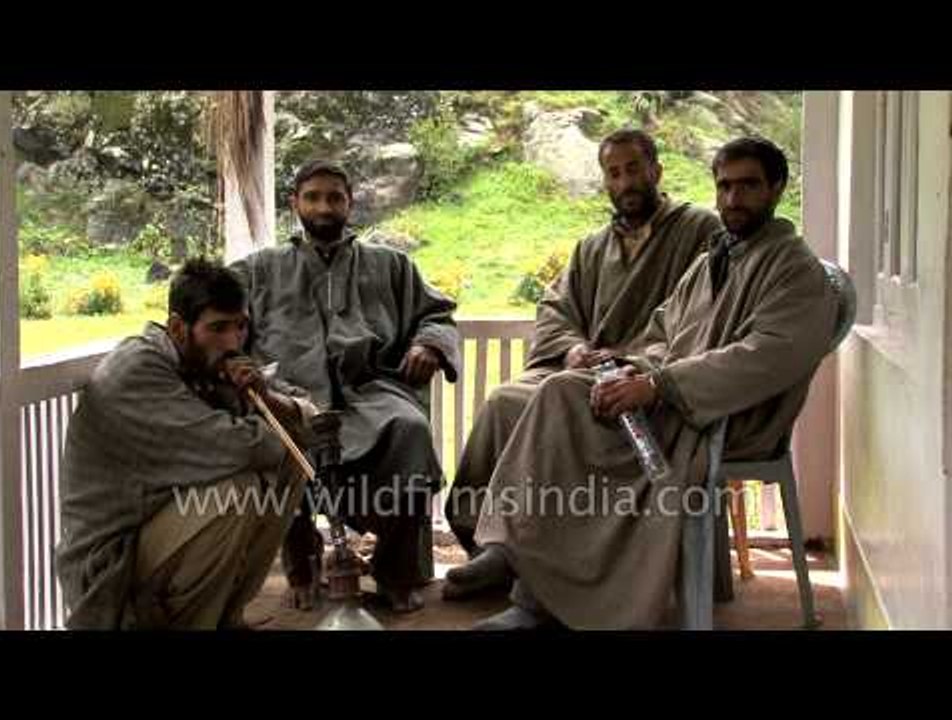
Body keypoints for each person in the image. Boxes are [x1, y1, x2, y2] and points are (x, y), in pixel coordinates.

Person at [470, 136, 838, 630]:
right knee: (562, 392)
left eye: (748, 185)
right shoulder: (717, 258)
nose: (733, 199)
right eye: (724, 186)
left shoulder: (793, 268)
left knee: (567, 416)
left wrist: (658, 385)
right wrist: (633, 369)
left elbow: (765, 357)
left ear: (777, 188)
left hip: (721, 418)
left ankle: (535, 596)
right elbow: (665, 331)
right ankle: (526, 566)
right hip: (676, 398)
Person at [443, 128, 722, 600]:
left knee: (549, 402)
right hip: (581, 366)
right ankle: (490, 544)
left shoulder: (698, 230)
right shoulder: (592, 246)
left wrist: (632, 358)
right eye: (614, 173)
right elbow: (556, 307)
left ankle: (534, 556)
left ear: (656, 170)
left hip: (642, 376)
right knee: (504, 401)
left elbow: (704, 317)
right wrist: (571, 348)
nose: (625, 182)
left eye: (633, 169)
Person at [230, 160, 461, 613]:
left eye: (334, 197)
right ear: (294, 203)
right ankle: (302, 567)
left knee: (410, 430)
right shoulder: (259, 270)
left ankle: (396, 573)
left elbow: (436, 314)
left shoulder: (391, 264)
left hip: (373, 393)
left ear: (349, 203)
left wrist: (429, 345)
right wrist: (237, 363)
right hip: (290, 396)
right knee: (281, 437)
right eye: (313, 197)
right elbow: (211, 312)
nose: (324, 207)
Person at [57, 259, 331, 629]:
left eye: (240, 326)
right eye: (218, 327)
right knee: (237, 492)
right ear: (177, 328)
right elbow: (243, 448)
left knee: (288, 466)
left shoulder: (207, 357)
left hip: (164, 530)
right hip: (113, 566)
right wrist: (277, 423)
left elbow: (311, 418)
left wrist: (266, 396)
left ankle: (225, 618)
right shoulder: (138, 370)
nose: (233, 341)